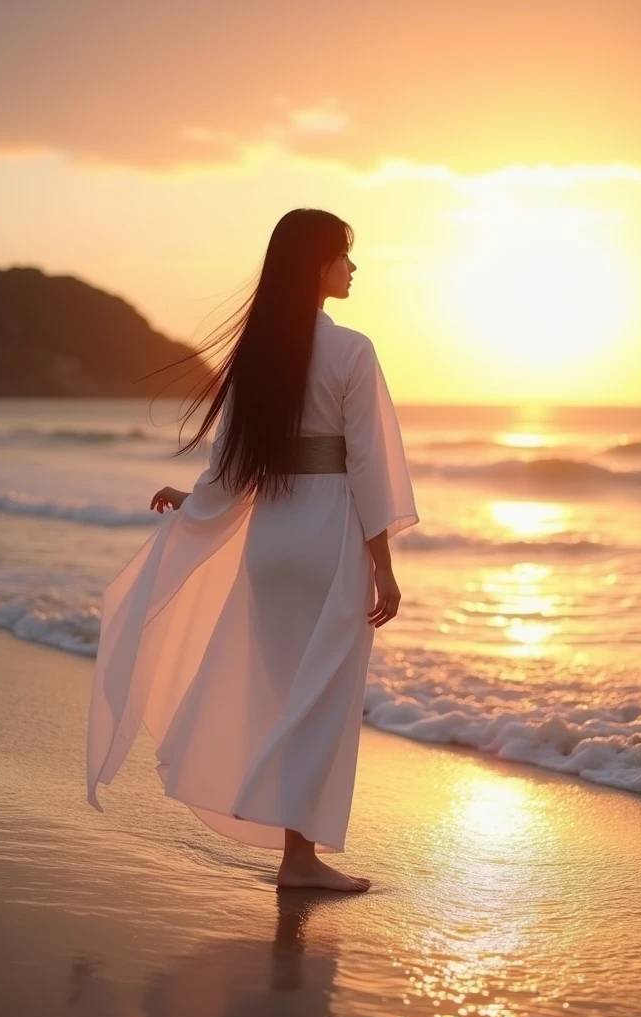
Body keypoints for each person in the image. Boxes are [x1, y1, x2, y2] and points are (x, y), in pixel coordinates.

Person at [86, 208, 419, 893]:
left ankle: (289, 844)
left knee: (282, 690)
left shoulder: (257, 355)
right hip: (328, 539)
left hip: (273, 540)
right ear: (314, 266)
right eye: (342, 256)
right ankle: (298, 859)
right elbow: (368, 466)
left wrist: (193, 500)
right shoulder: (353, 350)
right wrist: (383, 565)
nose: (353, 268)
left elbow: (233, 465)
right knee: (320, 699)